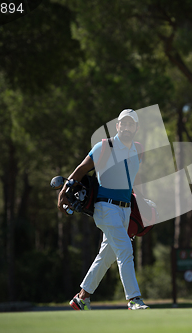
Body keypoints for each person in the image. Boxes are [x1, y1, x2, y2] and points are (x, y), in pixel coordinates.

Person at [57, 109, 149, 310]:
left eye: (130, 124)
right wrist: (63, 191)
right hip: (105, 208)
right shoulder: (104, 146)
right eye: (122, 123)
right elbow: (80, 170)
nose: (126, 127)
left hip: (125, 210)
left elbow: (133, 178)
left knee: (106, 256)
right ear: (117, 126)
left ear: (136, 128)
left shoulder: (138, 150)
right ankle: (134, 299)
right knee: (125, 250)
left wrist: (142, 201)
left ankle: (81, 298)